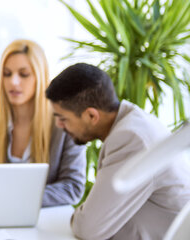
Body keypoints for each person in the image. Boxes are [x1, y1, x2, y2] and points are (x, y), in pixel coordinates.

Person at [46, 62, 190, 239]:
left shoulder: (131, 138)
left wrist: (81, 215)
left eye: (63, 118)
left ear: (92, 115)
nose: (59, 125)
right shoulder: (132, 122)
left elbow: (87, 229)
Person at [0, 39, 86, 207]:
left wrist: (18, 198)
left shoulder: (65, 126)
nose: (14, 82)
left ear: (40, 77)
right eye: (7, 73)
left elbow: (73, 187)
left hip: (46, 224)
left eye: (24, 74)